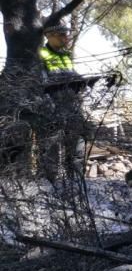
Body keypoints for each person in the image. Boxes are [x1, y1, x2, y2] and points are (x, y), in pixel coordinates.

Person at [37, 23, 88, 181]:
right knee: (51, 147)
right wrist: (49, 107)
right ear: (49, 36)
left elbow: (72, 76)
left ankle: (77, 183)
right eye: (61, 35)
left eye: (66, 34)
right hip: (52, 109)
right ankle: (49, 185)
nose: (66, 38)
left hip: (72, 107)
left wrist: (83, 81)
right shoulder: (41, 54)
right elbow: (39, 84)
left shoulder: (66, 55)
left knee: (77, 145)